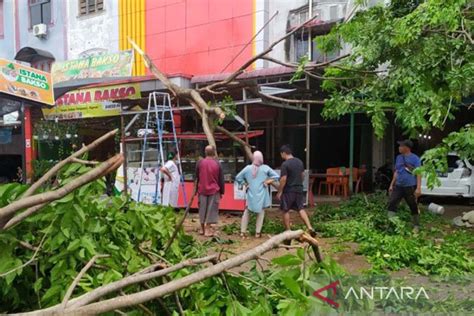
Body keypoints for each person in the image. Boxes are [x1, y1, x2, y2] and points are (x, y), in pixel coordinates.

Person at [235, 151, 279, 238]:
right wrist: (268, 181)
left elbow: (238, 177)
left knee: (247, 211)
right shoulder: (265, 168)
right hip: (262, 194)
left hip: (251, 194)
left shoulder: (247, 168)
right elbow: (276, 176)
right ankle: (257, 233)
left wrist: (245, 183)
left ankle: (242, 232)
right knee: (261, 212)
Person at [276, 145, 316, 237]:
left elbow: (283, 179)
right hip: (299, 189)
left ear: (283, 153)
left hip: (288, 190)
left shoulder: (285, 164)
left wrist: (280, 191)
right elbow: (302, 175)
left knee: (285, 210)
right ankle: (310, 227)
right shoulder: (299, 162)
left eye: (281, 154)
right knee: (300, 209)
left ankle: (288, 231)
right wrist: (298, 183)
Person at [388, 139, 422, 232]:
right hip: (398, 185)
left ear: (406, 148)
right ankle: (392, 225)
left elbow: (419, 173)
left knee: (413, 205)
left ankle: (416, 225)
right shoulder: (399, 157)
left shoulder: (415, 158)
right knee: (392, 203)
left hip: (410, 186)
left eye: (401, 146)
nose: (399, 148)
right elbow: (396, 172)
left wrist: (418, 188)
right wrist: (391, 184)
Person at [195, 145, 224, 237]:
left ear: (205, 152)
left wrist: (196, 189)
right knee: (211, 210)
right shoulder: (217, 164)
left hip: (202, 189)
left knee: (202, 208)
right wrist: (222, 191)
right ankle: (207, 230)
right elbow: (221, 179)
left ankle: (202, 228)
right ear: (214, 152)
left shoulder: (200, 162)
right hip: (213, 189)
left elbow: (196, 176)